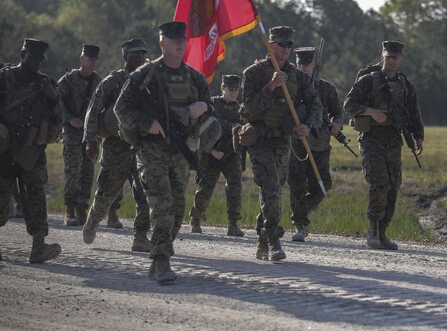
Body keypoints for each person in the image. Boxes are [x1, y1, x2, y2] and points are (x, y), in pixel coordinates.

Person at [115, 22, 218, 285]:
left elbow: (213, 108)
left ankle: (158, 254)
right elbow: (121, 109)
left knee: (179, 209)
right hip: (151, 152)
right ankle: (162, 262)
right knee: (162, 204)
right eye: (173, 40)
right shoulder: (144, 75)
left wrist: (202, 106)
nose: (179, 44)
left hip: (181, 153)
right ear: (162, 43)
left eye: (182, 40)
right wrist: (146, 123)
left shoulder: (194, 77)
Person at [242, 26, 322, 261]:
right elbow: (248, 109)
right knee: (270, 187)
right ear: (270, 45)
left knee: (274, 191)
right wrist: (271, 86)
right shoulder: (254, 73)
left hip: (283, 141)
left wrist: (307, 125)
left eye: (289, 45)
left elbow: (315, 105)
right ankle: (275, 239)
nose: (286, 49)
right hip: (260, 139)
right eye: (281, 44)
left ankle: (262, 238)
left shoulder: (299, 77)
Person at [343, 41, 424, 250]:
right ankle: (372, 230)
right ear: (382, 57)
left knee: (394, 186)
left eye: (395, 57)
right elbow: (349, 105)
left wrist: (418, 137)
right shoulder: (368, 81)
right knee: (380, 183)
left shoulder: (406, 86)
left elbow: (414, 113)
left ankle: (383, 231)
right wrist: (371, 112)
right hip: (372, 139)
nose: (391, 61)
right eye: (388, 57)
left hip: (394, 140)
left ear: (401, 60)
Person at [82, 38, 152, 252]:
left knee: (146, 194)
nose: (140, 58)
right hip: (116, 147)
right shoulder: (113, 81)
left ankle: (140, 237)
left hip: (142, 147)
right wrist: (90, 140)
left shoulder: (150, 80)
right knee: (107, 192)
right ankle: (93, 220)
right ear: (125, 57)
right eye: (135, 55)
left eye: (143, 54)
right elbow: (93, 110)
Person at [0, 39, 63, 263]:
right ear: (23, 54)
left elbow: (60, 116)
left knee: (36, 196)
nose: (38, 63)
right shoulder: (4, 79)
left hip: (32, 151)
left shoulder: (45, 84)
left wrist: (53, 98)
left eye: (40, 60)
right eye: (34, 58)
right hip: (4, 151)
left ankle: (38, 247)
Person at [288, 47, 343, 242]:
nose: (302, 68)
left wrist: (337, 124)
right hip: (297, 144)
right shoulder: (289, 87)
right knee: (297, 185)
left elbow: (338, 111)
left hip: (319, 145)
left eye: (306, 64)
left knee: (323, 185)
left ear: (314, 66)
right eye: (299, 64)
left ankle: (300, 209)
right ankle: (301, 224)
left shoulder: (326, 89)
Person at [58, 44, 118, 226]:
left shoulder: (99, 82)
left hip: (91, 134)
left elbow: (106, 106)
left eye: (95, 59)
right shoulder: (67, 81)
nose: (92, 62)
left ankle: (82, 209)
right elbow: (56, 104)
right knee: (72, 171)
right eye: (89, 59)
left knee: (87, 172)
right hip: (72, 133)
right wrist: (70, 119)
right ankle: (70, 209)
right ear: (81, 58)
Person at [189, 74, 245, 237]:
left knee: (235, 186)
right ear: (223, 88)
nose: (233, 93)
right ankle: (196, 219)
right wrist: (212, 150)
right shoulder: (212, 104)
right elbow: (207, 126)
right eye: (230, 89)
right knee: (206, 187)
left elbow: (243, 128)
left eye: (236, 89)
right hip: (210, 152)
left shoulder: (240, 109)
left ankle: (233, 224)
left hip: (231, 153)